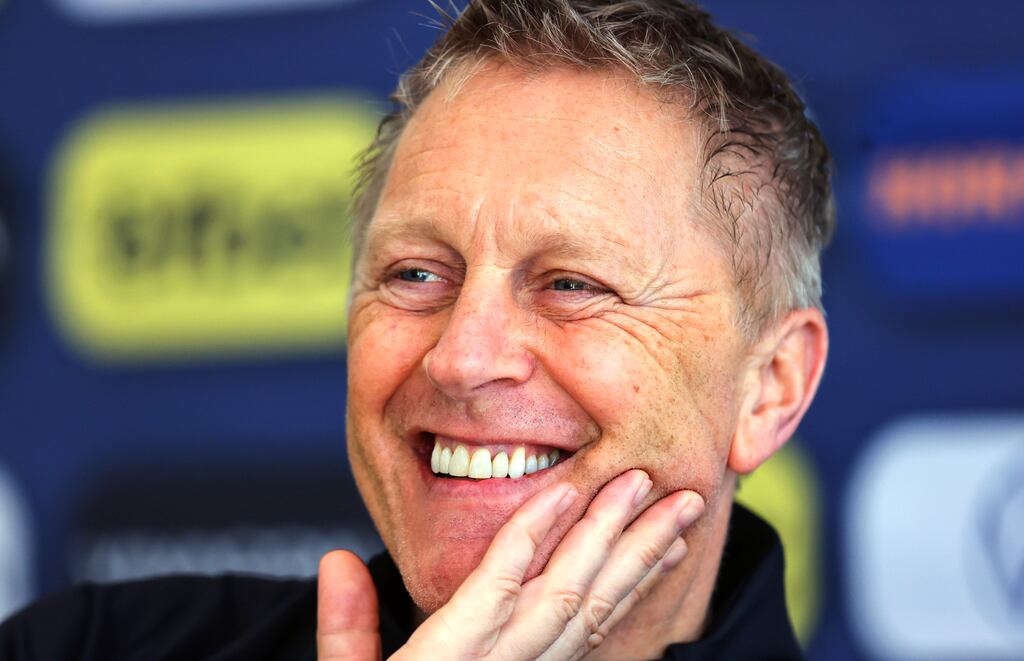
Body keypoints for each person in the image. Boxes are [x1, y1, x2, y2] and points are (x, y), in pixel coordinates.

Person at [1, 1, 832, 659]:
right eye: (416, 275)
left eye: (573, 284)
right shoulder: (82, 644)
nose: (463, 356)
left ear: (770, 386)